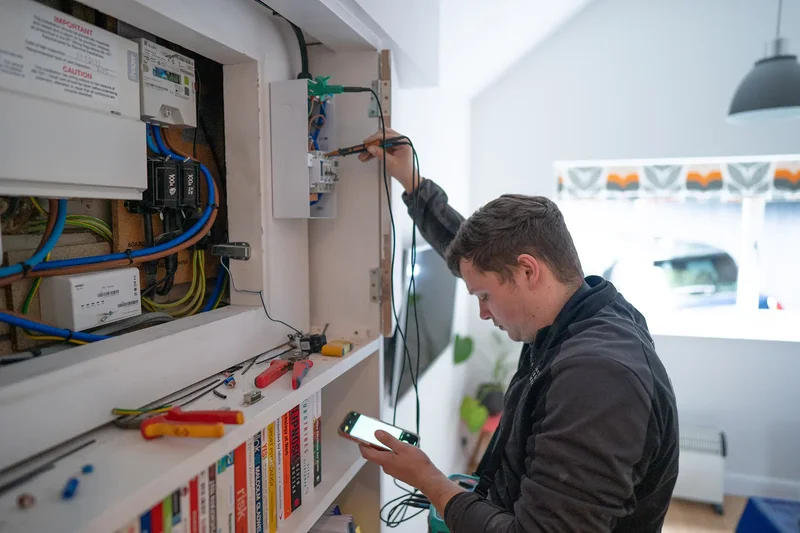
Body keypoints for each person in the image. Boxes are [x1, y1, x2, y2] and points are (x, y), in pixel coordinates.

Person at [356, 128, 679, 532]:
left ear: (528, 270)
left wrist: (432, 483)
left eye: (485, 296)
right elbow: (473, 253)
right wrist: (413, 184)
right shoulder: (585, 312)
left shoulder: (598, 378)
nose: (484, 313)